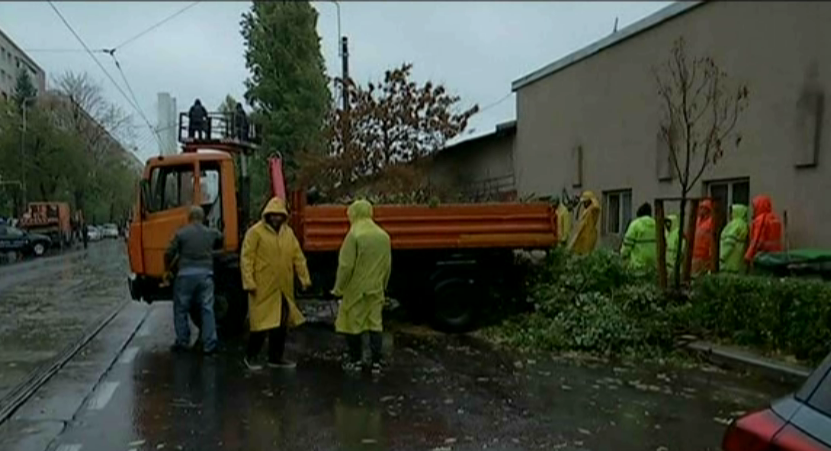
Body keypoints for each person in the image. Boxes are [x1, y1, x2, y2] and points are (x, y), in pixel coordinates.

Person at [240, 197, 311, 371]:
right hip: (262, 287)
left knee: (281, 325)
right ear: (268, 215)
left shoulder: (288, 233)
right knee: (260, 325)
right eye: (273, 215)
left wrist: (304, 278)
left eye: (279, 215)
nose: (276, 218)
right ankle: (250, 357)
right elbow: (246, 258)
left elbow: (298, 257)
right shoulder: (255, 232)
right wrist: (249, 281)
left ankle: (276, 358)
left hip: (283, 288)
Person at [331, 200, 392, 373]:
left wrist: (338, 288)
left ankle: (356, 360)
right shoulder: (383, 236)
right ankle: (376, 363)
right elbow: (387, 265)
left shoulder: (354, 235)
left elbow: (346, 266)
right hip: (376, 288)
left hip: (356, 289)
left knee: (353, 324)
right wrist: (384, 284)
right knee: (375, 324)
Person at [164, 206, 224, 355]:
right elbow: (221, 238)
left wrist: (168, 268)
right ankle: (210, 345)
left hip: (185, 276)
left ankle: (183, 342)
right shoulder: (210, 233)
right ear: (203, 218)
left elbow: (169, 252)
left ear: (189, 218)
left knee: (181, 309)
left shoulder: (181, 233)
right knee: (207, 308)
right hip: (206, 276)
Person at [745, 195, 783, 266]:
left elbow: (756, 240)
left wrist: (748, 256)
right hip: (776, 255)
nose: (754, 210)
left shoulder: (761, 220)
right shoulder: (775, 218)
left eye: (755, 207)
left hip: (764, 255)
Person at [620, 202, 657, 269]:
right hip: (653, 265)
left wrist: (623, 254)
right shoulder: (657, 225)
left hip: (638, 265)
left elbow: (627, 244)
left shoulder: (635, 225)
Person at [567, 191, 601, 255]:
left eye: (585, 202)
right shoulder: (586, 211)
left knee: (585, 255)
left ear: (589, 201)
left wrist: (592, 198)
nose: (584, 204)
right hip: (583, 236)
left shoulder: (592, 210)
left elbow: (597, 206)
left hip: (588, 236)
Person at [719, 204, 749, 273]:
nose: (730, 214)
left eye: (731, 212)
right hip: (738, 262)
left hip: (729, 261)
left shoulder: (735, 224)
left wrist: (722, 257)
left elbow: (729, 241)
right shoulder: (744, 224)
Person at [692, 199, 715, 275]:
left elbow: (712, 240)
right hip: (694, 255)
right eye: (700, 207)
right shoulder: (697, 221)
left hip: (704, 257)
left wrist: (710, 257)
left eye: (703, 208)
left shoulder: (711, 222)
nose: (700, 210)